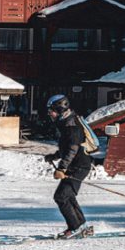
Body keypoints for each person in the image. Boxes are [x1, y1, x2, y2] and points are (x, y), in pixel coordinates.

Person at [46, 94, 93, 239]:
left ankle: (75, 227)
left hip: (79, 166)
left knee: (61, 196)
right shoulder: (67, 122)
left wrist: (62, 168)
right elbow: (67, 147)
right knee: (67, 196)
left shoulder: (71, 125)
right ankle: (82, 226)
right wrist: (54, 156)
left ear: (60, 109)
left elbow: (73, 149)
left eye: (51, 110)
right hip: (78, 165)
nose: (50, 113)